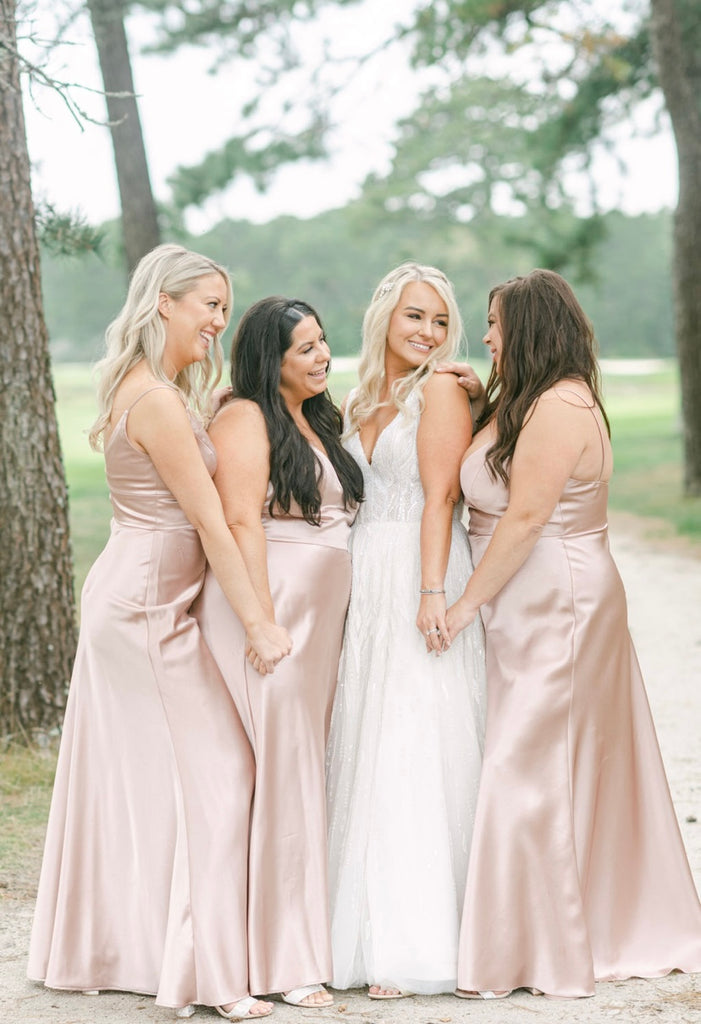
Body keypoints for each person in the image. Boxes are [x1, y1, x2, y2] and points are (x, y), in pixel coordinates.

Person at [28, 245, 292, 1022]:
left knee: (159, 779)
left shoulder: (163, 392)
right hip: (144, 608)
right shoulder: (155, 402)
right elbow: (209, 518)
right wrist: (259, 623)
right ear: (164, 304)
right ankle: (211, 975)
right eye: (208, 304)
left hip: (143, 597)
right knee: (222, 772)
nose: (218, 319)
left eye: (222, 304)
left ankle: (138, 947)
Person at [445, 268, 701, 999]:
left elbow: (525, 518)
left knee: (525, 763)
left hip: (555, 595)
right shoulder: (527, 402)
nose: (486, 335)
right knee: (546, 758)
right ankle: (543, 926)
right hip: (531, 594)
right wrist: (475, 400)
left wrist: (464, 603)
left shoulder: (559, 408)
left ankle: (524, 948)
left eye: (493, 324)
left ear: (525, 328)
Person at [193, 297, 364, 1009]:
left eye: (323, 342)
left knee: (306, 771)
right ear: (271, 359)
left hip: (320, 618)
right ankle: (284, 960)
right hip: (274, 614)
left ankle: (295, 939)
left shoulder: (317, 418)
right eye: (304, 348)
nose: (322, 356)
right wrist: (260, 621)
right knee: (286, 776)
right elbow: (238, 521)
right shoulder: (245, 417)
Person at [326, 262, 487, 998]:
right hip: (365, 570)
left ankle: (411, 934)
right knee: (364, 730)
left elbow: (441, 496)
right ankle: (353, 922)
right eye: (414, 316)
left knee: (415, 737)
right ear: (384, 316)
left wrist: (430, 592)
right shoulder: (358, 395)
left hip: (420, 569)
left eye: (440, 320)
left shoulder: (442, 390)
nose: (427, 331)